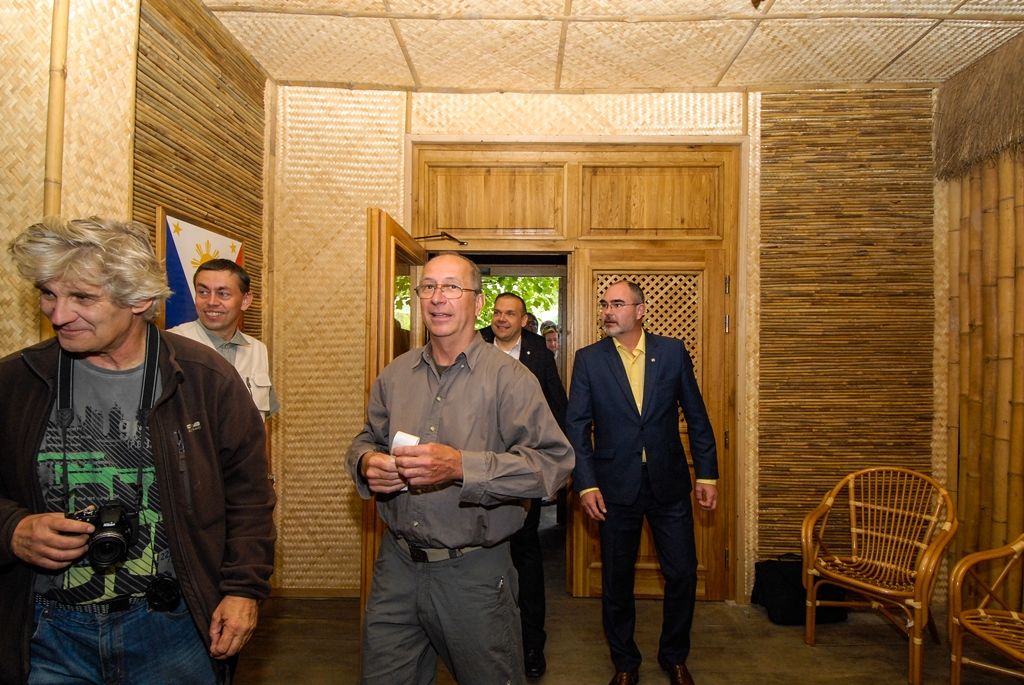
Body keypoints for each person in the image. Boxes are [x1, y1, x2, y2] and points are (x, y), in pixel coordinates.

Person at [0, 217, 276, 685]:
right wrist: (12, 528)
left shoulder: (206, 379)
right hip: (46, 635)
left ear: (140, 300)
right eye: (48, 294)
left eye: (82, 297)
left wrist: (243, 590)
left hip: (173, 629)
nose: (58, 315)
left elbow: (248, 494)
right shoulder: (16, 381)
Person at [347, 253, 574, 685]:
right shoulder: (396, 375)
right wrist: (367, 462)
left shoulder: (511, 379)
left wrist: (461, 467)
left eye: (452, 287)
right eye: (428, 287)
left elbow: (553, 464)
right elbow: (366, 439)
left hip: (474, 575)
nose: (438, 298)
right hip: (396, 567)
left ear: (478, 302)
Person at [566, 280, 718, 685]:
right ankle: (625, 662)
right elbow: (577, 427)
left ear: (640, 310)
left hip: (669, 483)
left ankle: (674, 655)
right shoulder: (589, 360)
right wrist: (586, 484)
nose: (608, 311)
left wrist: (707, 473)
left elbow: (697, 415)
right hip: (614, 487)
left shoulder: (672, 352)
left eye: (617, 304)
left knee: (683, 573)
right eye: (604, 304)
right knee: (617, 579)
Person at [480, 293, 567, 678]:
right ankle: (485, 644)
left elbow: (557, 407)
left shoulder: (538, 352)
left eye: (510, 314)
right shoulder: (475, 341)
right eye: (497, 313)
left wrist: (557, 471)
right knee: (482, 559)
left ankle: (532, 645)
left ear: (523, 320)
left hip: (523, 469)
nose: (501, 319)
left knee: (526, 555)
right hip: (480, 467)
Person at [168, 258, 278, 420]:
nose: (211, 302)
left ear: (245, 301)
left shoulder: (258, 350)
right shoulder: (172, 344)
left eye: (223, 294)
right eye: (203, 292)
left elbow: (262, 424)